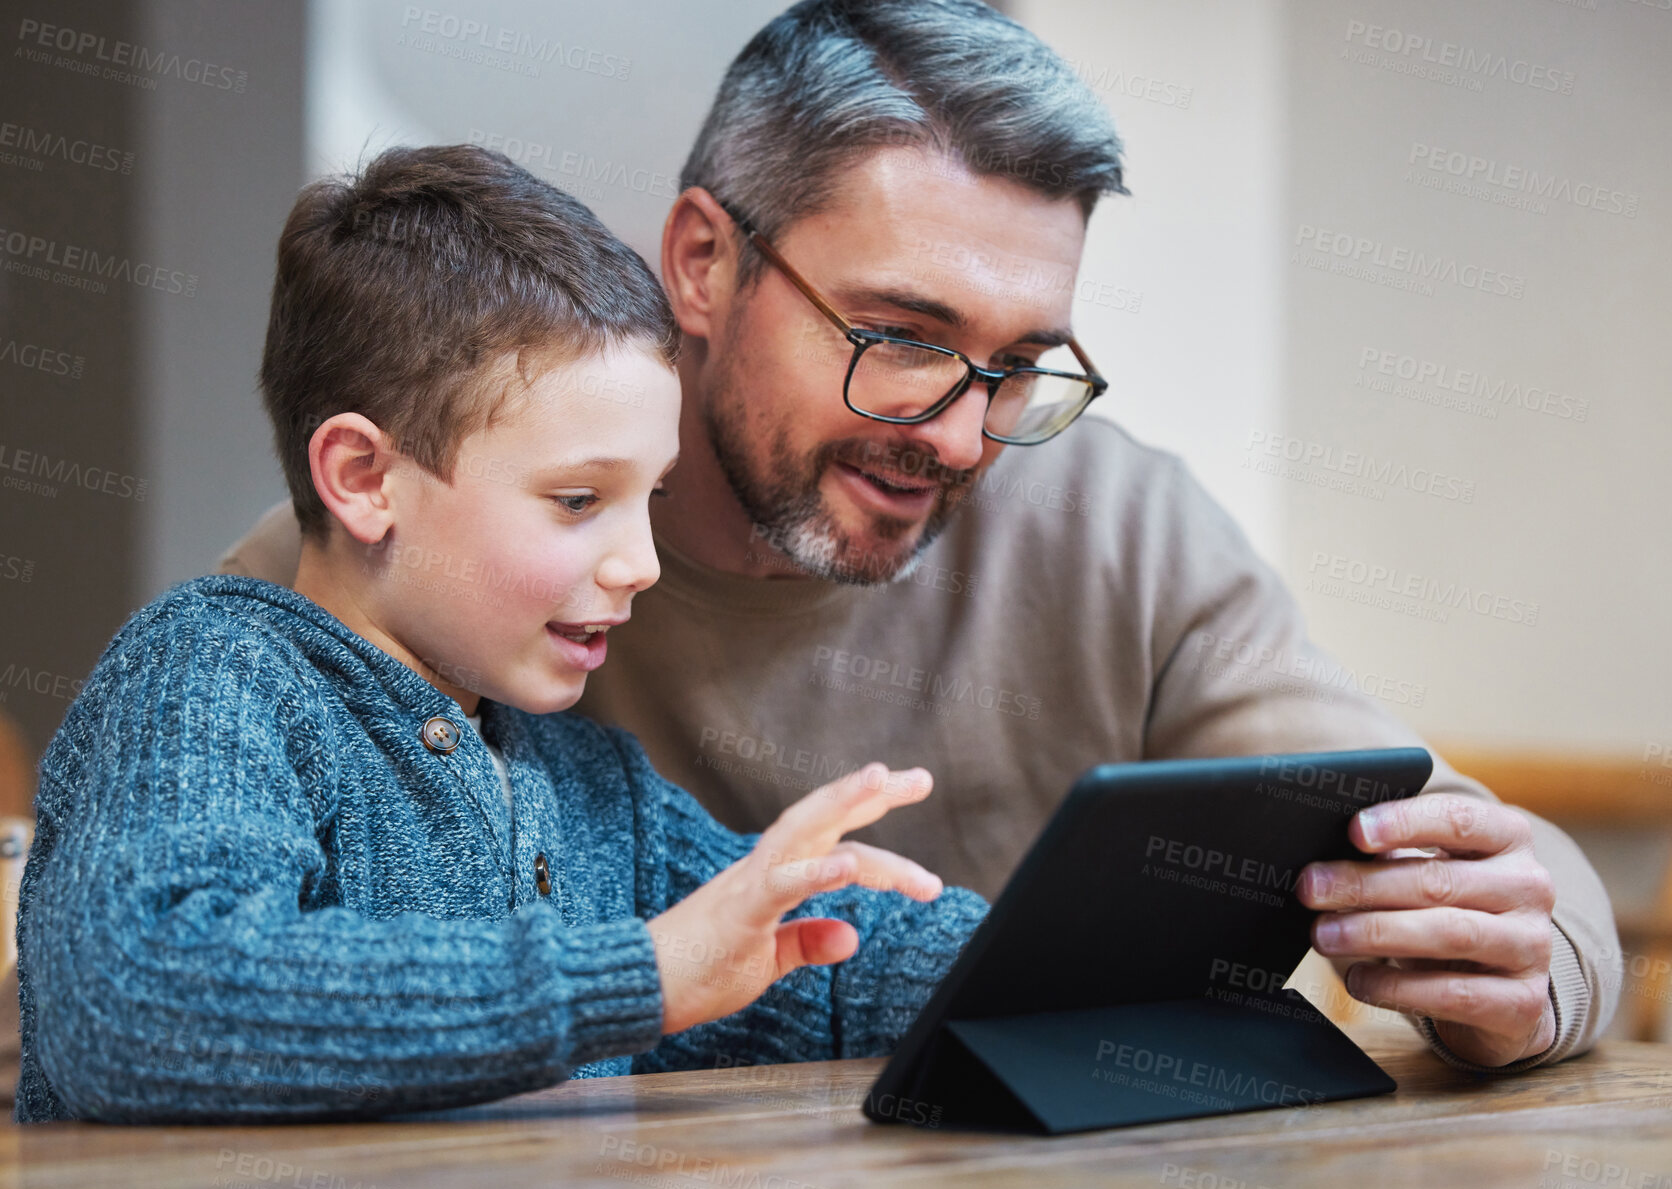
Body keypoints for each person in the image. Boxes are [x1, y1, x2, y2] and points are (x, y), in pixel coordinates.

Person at [221, 0, 1619, 1072]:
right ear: (704, 262)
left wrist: (1520, 970)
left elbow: (1499, 865)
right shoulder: (406, 559)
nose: (961, 436)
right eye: (901, 339)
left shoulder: (1113, 527)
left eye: (1022, 363)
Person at [13, 144, 988, 1124]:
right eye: (577, 498)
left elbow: (809, 956)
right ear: (362, 476)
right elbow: (145, 1004)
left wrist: (1075, 952)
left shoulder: (592, 787)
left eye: (647, 497)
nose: (640, 562)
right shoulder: (213, 672)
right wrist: (635, 975)